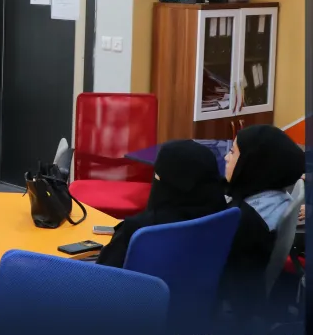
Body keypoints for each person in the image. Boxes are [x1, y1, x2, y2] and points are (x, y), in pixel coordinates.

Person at [95, 139, 227, 268]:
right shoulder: (225, 219)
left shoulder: (139, 231)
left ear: (170, 183)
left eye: (157, 176)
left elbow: (101, 275)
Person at [219, 125, 305, 320]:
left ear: (252, 163)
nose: (226, 157)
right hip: (260, 293)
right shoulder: (277, 196)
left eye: (232, 152)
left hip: (236, 303)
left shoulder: (245, 220)